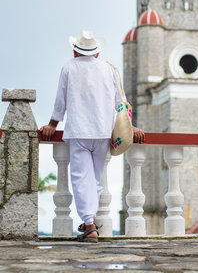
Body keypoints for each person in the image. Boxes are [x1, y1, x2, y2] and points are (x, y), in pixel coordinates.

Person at [40, 30, 145, 242]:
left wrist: (53, 124)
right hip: (103, 132)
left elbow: (61, 98)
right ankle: (90, 221)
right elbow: (121, 102)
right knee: (95, 179)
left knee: (81, 179)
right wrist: (130, 127)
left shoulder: (69, 67)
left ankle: (89, 225)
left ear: (75, 51)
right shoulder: (109, 69)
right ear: (97, 53)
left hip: (79, 131)